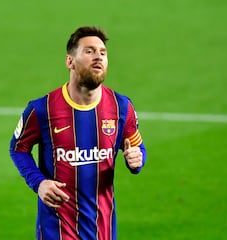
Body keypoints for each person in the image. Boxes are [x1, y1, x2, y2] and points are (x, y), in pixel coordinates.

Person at [9, 26, 147, 240]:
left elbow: (136, 146)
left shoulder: (122, 107)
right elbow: (18, 148)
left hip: (103, 229)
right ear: (69, 61)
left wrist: (137, 159)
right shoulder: (42, 109)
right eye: (89, 51)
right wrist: (39, 183)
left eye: (103, 52)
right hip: (57, 228)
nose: (98, 57)